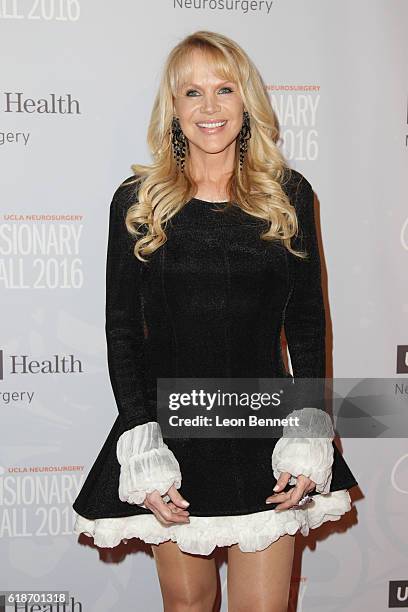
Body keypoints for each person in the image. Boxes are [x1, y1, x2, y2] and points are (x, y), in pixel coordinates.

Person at [72, 30, 358, 611]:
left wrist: (309, 427)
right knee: (189, 607)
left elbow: (306, 322)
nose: (209, 108)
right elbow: (122, 330)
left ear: (246, 99)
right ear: (172, 108)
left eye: (224, 89)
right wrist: (141, 439)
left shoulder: (288, 195)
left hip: (264, 433)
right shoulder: (139, 201)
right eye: (192, 93)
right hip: (174, 436)